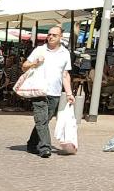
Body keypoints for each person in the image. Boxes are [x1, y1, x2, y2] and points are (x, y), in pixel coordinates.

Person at [22, 25, 75, 159]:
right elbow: (24, 66)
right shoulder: (40, 50)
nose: (50, 37)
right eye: (49, 34)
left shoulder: (65, 53)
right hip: (39, 90)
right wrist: (35, 62)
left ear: (60, 37)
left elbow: (65, 74)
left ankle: (32, 144)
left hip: (55, 92)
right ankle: (45, 147)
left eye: (54, 35)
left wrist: (69, 93)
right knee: (41, 120)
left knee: (45, 120)